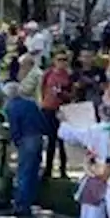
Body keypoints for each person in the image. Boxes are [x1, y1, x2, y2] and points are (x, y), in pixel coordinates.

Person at [4, 82, 46, 216]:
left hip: (26, 138)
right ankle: (29, 202)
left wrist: (16, 141)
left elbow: (15, 127)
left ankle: (20, 205)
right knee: (33, 171)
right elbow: (42, 120)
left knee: (23, 172)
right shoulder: (31, 103)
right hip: (37, 137)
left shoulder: (11, 107)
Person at [39, 50, 73, 180]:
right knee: (50, 140)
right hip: (48, 109)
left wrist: (62, 94)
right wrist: (44, 102)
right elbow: (42, 88)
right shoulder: (48, 74)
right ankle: (48, 169)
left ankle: (63, 169)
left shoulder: (68, 76)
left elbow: (72, 94)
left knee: (63, 141)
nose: (62, 62)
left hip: (63, 110)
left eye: (64, 59)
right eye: (59, 59)